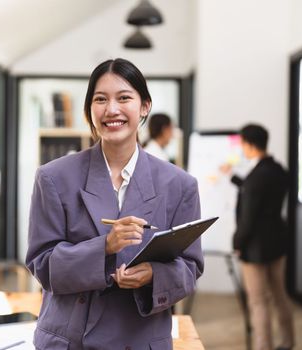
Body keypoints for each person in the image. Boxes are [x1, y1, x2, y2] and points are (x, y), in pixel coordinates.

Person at [25, 58, 203, 350]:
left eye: (124, 98)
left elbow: (190, 267)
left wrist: (154, 276)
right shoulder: (54, 177)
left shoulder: (179, 185)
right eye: (100, 99)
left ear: (144, 106)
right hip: (70, 341)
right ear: (89, 110)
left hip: (141, 338)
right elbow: (42, 263)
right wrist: (105, 247)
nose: (112, 110)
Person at [220, 124, 294, 350]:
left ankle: (264, 347)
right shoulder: (277, 169)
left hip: (255, 248)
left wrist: (237, 244)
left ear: (250, 145)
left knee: (259, 302)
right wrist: (233, 177)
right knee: (279, 295)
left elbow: (248, 218)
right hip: (277, 242)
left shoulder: (256, 177)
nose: (241, 149)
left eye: (242, 144)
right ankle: (288, 341)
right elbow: (258, 192)